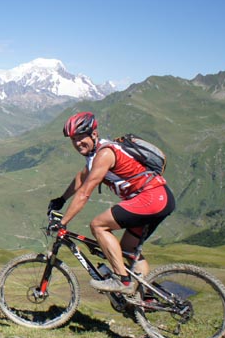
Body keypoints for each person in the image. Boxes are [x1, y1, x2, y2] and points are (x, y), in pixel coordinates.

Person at [48, 111, 175, 294]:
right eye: (73, 139)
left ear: (94, 134)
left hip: (152, 198)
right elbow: (82, 177)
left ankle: (122, 282)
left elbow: (84, 193)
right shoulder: (96, 154)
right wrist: (61, 199)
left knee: (98, 225)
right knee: (127, 250)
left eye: (81, 137)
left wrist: (63, 222)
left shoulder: (105, 154)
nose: (77, 143)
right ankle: (144, 299)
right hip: (160, 198)